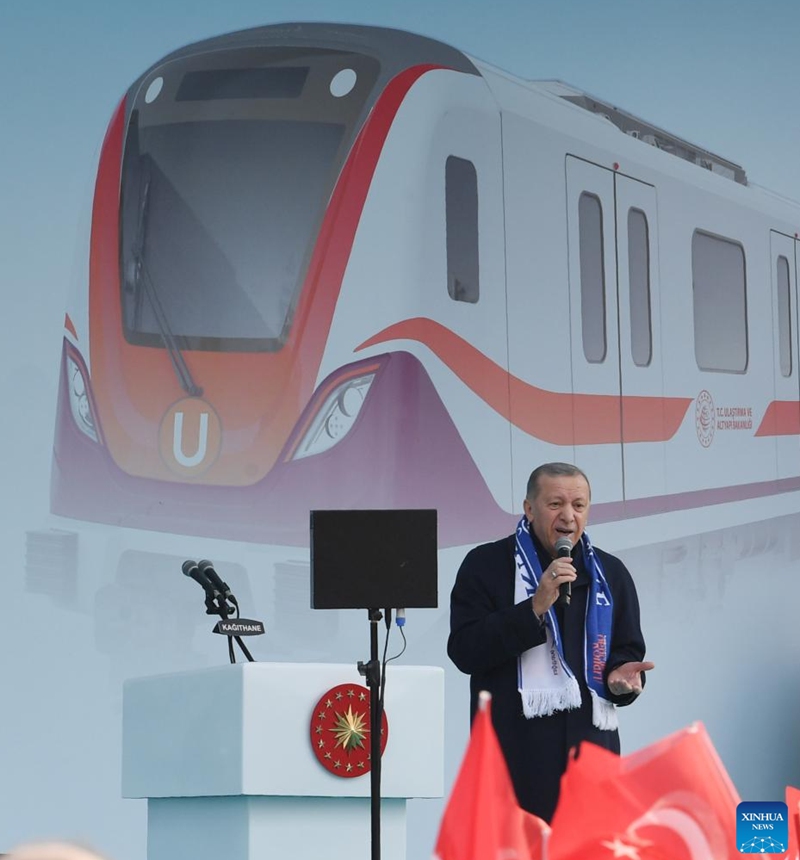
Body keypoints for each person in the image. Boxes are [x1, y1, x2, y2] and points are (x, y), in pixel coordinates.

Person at [448, 462, 654, 822]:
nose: (568, 517)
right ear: (529, 509)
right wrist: (534, 608)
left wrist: (624, 682)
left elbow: (626, 653)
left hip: (591, 760)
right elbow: (465, 651)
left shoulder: (610, 574)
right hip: (513, 757)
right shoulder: (486, 564)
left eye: (579, 505)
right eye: (555, 504)